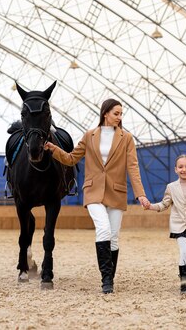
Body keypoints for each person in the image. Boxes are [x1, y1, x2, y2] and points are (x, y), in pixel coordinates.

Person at [44, 98, 150, 294]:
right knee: (103, 229)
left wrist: (140, 195)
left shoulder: (126, 138)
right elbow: (71, 158)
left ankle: (110, 277)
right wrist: (53, 149)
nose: (119, 117)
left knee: (114, 238)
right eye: (116, 113)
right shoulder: (89, 135)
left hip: (116, 192)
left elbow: (133, 167)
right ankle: (106, 281)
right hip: (93, 191)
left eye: (121, 114)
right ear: (105, 113)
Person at [144, 154, 186, 293]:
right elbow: (165, 204)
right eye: (181, 167)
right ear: (175, 169)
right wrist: (151, 206)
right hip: (178, 225)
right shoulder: (171, 187)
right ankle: (183, 284)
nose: (184, 169)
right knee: (184, 252)